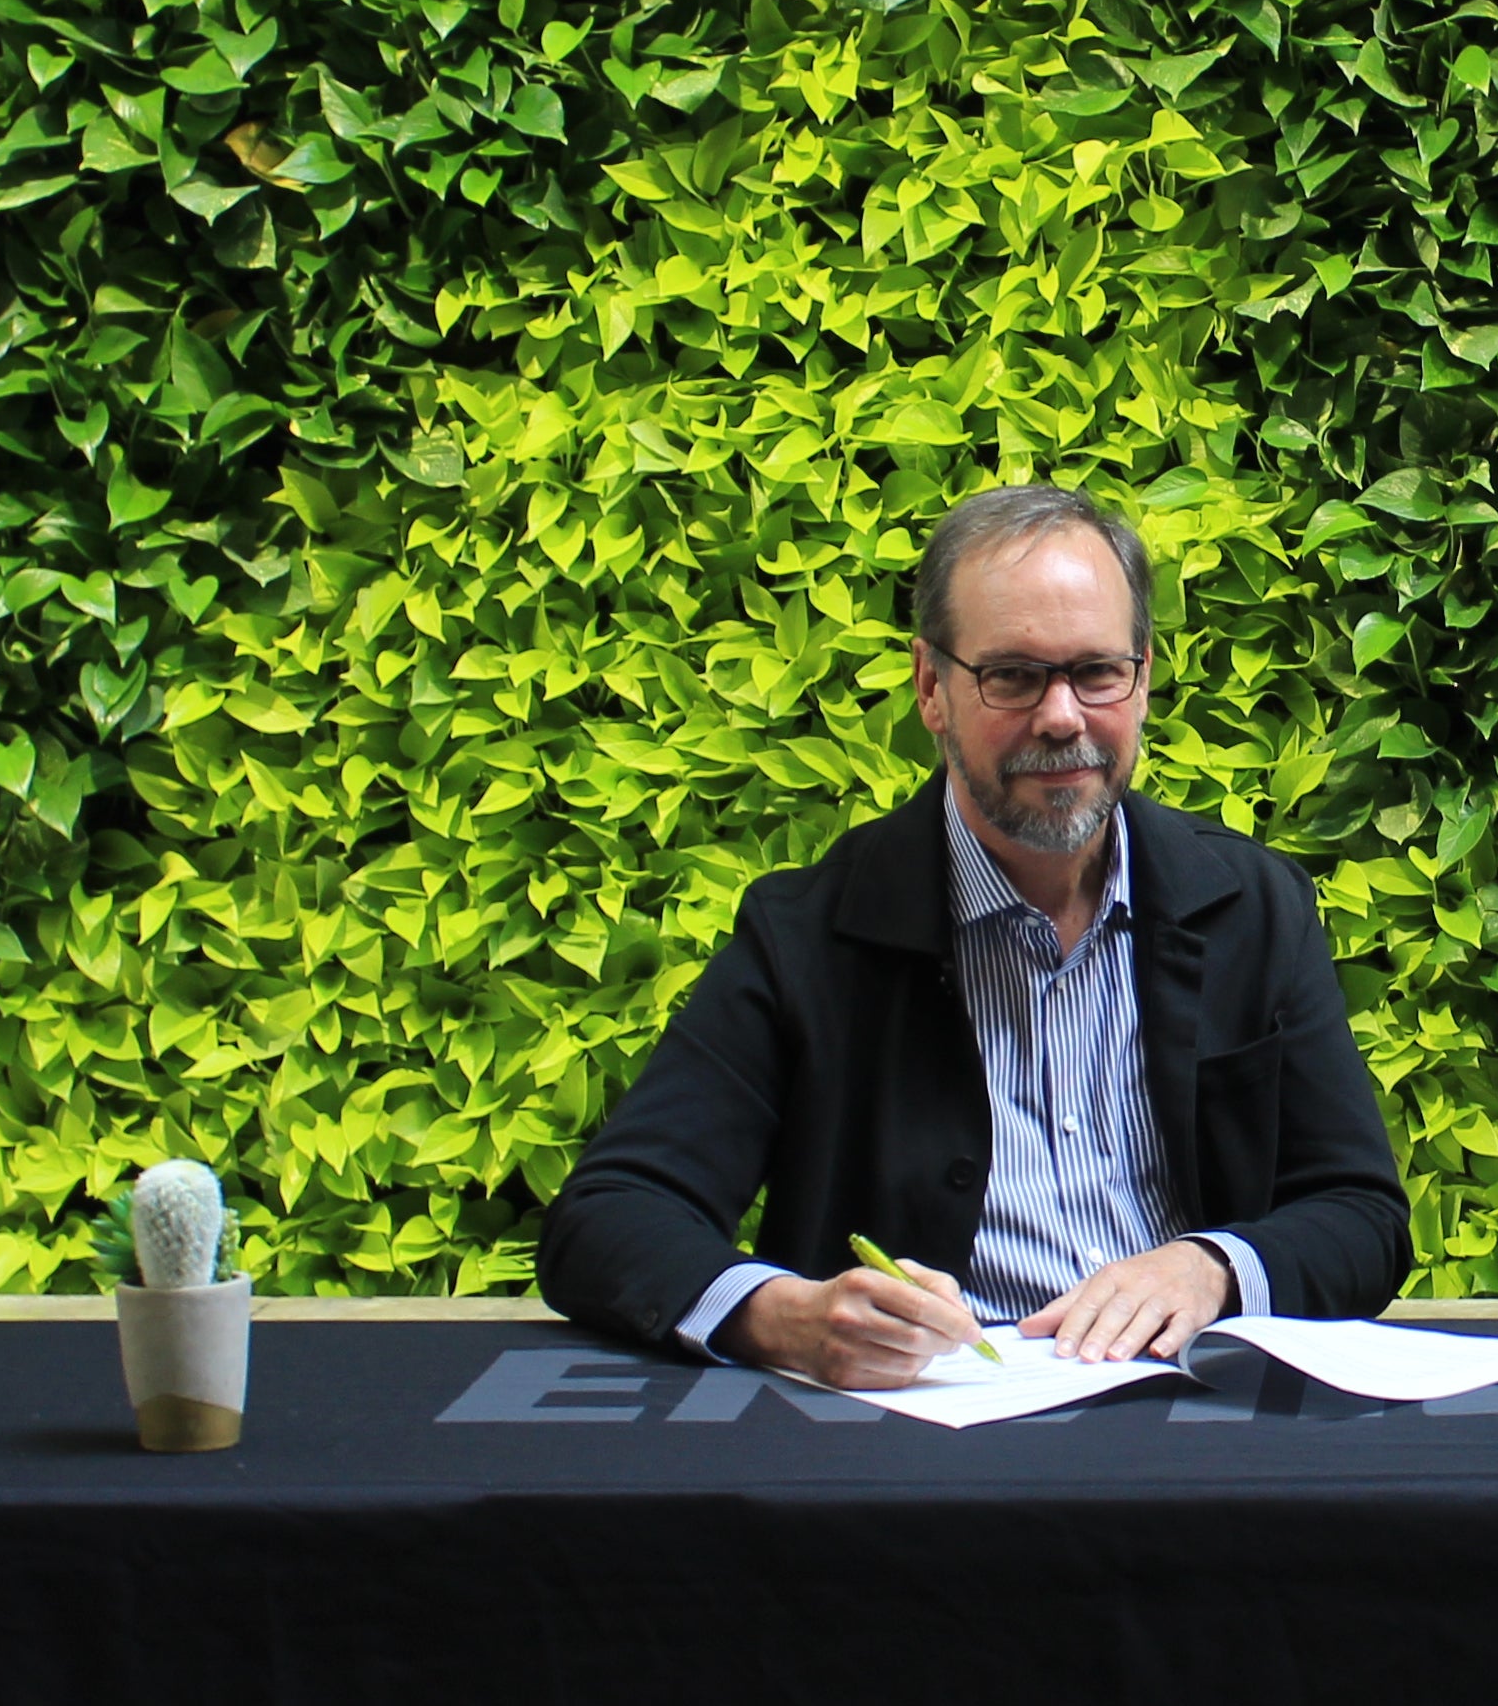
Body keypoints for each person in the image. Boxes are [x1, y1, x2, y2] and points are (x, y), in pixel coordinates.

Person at [540, 485, 1410, 1387]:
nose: (1062, 716)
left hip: (1192, 1423)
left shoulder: (1253, 906)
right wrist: (780, 1317)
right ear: (931, 688)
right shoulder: (807, 936)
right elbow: (608, 1217)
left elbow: (1360, 1215)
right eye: (1013, 676)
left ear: (1143, 680)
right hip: (916, 1456)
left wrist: (1213, 1267)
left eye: (1097, 672)